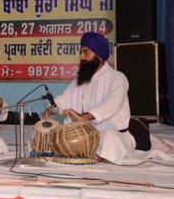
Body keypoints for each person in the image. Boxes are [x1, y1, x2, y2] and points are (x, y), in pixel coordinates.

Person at [43, 32, 135, 163]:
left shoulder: (117, 77)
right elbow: (63, 100)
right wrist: (52, 109)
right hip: (87, 136)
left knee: (110, 138)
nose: (81, 57)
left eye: (86, 53)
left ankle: (97, 154)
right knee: (53, 136)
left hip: (114, 135)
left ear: (100, 56)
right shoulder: (80, 80)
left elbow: (113, 104)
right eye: (81, 53)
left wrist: (85, 117)